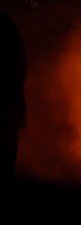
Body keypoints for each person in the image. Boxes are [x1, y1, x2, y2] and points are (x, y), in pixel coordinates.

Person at [0, 11, 27, 187]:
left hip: (6, 113)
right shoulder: (6, 27)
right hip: (8, 114)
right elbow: (19, 69)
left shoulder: (5, 27)